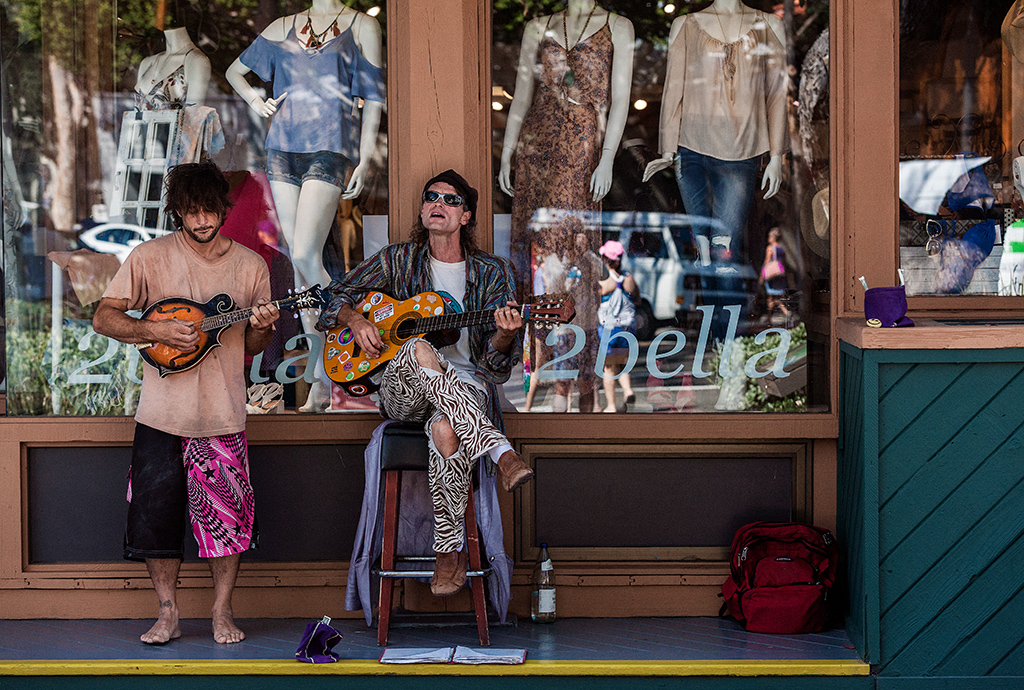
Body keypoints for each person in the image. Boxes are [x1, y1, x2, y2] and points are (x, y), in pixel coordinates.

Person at [316, 169, 534, 596]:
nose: (439, 204)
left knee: (445, 428)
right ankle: (500, 452)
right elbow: (332, 297)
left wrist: (506, 334)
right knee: (417, 347)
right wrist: (356, 319)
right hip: (402, 389)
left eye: (451, 200)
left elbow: (494, 369)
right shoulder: (398, 260)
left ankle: (448, 554)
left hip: (465, 388)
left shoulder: (494, 272)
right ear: (421, 208)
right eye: (431, 197)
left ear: (467, 216)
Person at [93, 162, 280, 645]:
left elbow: (256, 346)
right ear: (177, 210)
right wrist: (153, 329)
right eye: (192, 212)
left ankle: (222, 613)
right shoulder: (149, 257)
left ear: (224, 207)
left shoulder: (249, 266)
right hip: (160, 416)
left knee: (229, 523)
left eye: (211, 210)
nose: (202, 221)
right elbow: (104, 318)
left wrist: (260, 325)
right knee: (156, 523)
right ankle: (168, 612)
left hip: (222, 416)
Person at [226, 0, 385, 412]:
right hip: (280, 149)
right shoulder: (284, 26)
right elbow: (234, 71)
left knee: (303, 254)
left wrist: (365, 158)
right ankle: (320, 375)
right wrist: (255, 102)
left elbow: (374, 98)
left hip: (330, 149)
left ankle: (339, 354)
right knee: (301, 267)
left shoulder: (360, 27)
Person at [498, 0, 634, 301]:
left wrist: (607, 157)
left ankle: (568, 333)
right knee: (533, 235)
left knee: (568, 235)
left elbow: (620, 99)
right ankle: (534, 335)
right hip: (536, 142)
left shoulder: (618, 27)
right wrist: (507, 153)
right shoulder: (536, 27)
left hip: (582, 144)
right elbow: (522, 96)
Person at [643, 0, 788, 259]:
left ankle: (729, 301)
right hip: (691, 150)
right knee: (702, 247)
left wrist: (776, 156)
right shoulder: (686, 25)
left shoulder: (768, 25)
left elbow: (776, 94)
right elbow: (674, 89)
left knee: (723, 246)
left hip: (742, 150)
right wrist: (668, 150)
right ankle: (706, 301)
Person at [597, 240, 639, 412]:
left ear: (606, 259)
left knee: (608, 368)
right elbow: (638, 299)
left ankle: (611, 405)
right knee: (620, 363)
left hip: (609, 330)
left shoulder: (604, 282)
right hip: (627, 329)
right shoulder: (628, 278)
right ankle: (628, 390)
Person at [760, 227, 789, 320]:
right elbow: (783, 262)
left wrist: (762, 274)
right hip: (779, 274)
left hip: (771, 276)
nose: (768, 238)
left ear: (773, 237)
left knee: (771, 296)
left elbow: (767, 261)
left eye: (769, 236)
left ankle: (781, 313)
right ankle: (774, 315)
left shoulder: (770, 248)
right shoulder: (781, 248)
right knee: (777, 296)